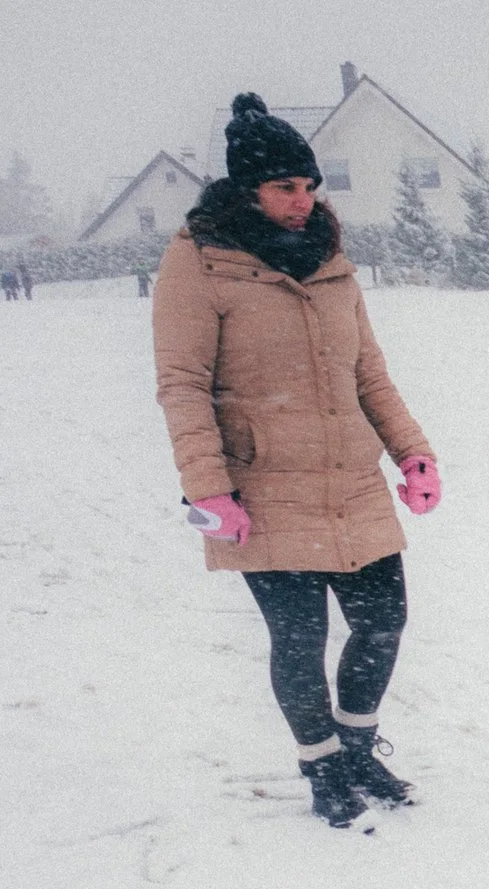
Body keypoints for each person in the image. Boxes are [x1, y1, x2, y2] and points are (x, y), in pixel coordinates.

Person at [152, 94, 442, 828]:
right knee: (301, 637)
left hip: (351, 480)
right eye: (285, 187)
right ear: (247, 188)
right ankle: (322, 766)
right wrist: (208, 488)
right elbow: (182, 384)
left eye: (309, 187)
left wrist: (412, 452)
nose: (302, 201)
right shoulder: (199, 260)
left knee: (385, 624)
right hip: (263, 487)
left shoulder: (330, 258)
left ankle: (357, 747)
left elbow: (368, 369)